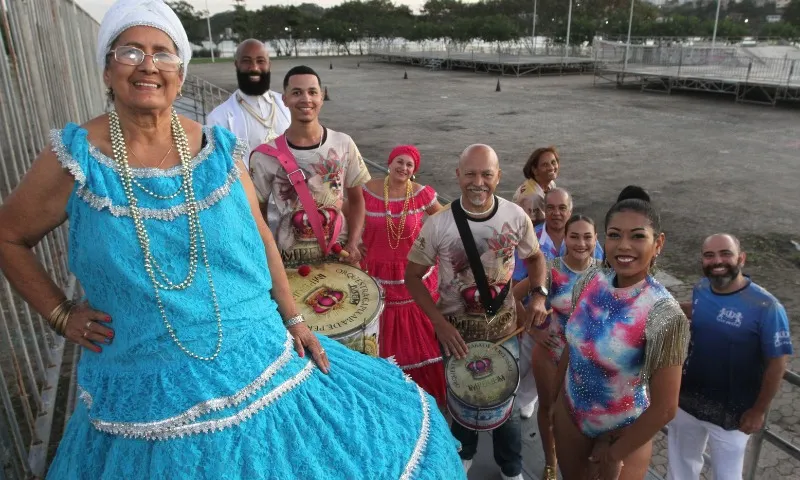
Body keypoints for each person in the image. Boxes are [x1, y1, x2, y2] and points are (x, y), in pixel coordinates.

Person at [0, 1, 463, 478]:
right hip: (143, 382)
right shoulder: (74, 159)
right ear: (106, 69)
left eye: (163, 54)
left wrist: (296, 319)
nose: (148, 66)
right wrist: (59, 313)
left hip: (257, 356)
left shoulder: (214, 149)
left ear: (179, 75)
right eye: (130, 52)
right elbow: (8, 236)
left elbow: (261, 235)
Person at [406, 144, 549, 480]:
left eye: (487, 174)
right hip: (456, 336)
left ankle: (511, 468)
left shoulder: (515, 217)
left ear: (499, 176)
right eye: (470, 173)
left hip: (504, 333)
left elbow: (535, 258)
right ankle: (464, 455)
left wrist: (539, 295)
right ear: (458, 175)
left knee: (508, 409)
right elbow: (411, 276)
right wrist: (438, 323)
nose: (478, 182)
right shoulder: (438, 224)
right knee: (461, 400)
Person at [551, 186, 690, 480]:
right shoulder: (590, 280)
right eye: (615, 235)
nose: (624, 245)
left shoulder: (664, 313)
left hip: (623, 433)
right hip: (570, 415)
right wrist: (554, 402)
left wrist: (615, 454)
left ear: (658, 243)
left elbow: (666, 408)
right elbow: (573, 345)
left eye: (637, 236)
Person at [666, 234, 793, 480]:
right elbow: (698, 308)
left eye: (725, 253)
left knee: (727, 476)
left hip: (735, 413)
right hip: (688, 400)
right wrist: (660, 304)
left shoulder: (766, 306)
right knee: (680, 467)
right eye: (709, 255)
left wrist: (758, 411)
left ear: (741, 258)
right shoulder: (701, 288)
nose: (717, 261)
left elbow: (777, 364)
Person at [249, 66, 366, 267]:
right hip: (290, 262)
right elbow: (256, 213)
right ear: (284, 99)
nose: (306, 99)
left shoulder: (344, 143)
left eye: (312, 92)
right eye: (296, 92)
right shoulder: (263, 156)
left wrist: (354, 242)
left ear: (322, 97)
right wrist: (269, 255)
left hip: (340, 255)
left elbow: (357, 201)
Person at [512, 214, 600, 480]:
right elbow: (512, 296)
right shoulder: (551, 270)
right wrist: (532, 331)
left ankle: (582, 462)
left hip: (588, 359)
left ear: (596, 240)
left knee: (584, 414)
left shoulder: (605, 274)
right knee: (550, 410)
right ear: (565, 239)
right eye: (575, 236)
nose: (581, 243)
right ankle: (551, 463)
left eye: (587, 237)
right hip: (551, 352)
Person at [360, 145, 446, 405]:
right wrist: (352, 241)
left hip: (411, 274)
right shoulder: (366, 190)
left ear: (414, 172)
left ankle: (423, 398)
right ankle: (384, 396)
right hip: (375, 273)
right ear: (390, 162)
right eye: (400, 161)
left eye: (410, 165)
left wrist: (433, 245)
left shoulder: (422, 195)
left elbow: (444, 220)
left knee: (420, 340)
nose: (404, 168)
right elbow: (346, 216)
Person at [510, 187, 604, 422]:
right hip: (532, 326)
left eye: (562, 208)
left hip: (571, 339)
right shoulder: (530, 239)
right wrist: (528, 326)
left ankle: (528, 404)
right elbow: (514, 287)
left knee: (549, 392)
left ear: (570, 210)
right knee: (516, 375)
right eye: (550, 208)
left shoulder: (586, 241)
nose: (556, 213)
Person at [206, 39, 290, 232]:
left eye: (261, 60)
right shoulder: (218, 119)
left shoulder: (287, 105)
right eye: (246, 61)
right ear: (236, 64)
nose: (254, 67)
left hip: (293, 207)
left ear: (269, 64)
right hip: (250, 212)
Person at [512, 146, 559, 226]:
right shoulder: (533, 197)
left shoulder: (550, 184)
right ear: (535, 170)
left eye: (553, 162)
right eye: (545, 165)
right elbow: (529, 227)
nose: (551, 168)